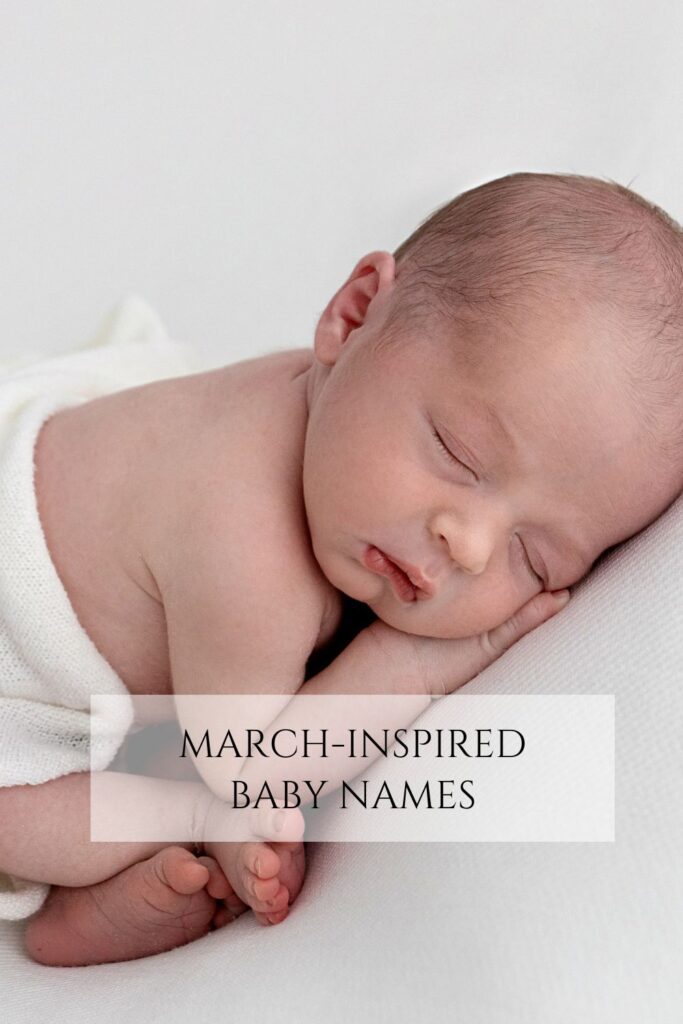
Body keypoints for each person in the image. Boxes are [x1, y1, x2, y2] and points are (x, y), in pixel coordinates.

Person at [1, 172, 681, 966]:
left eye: (535, 556)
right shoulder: (243, 545)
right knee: (100, 806)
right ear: (353, 315)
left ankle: (104, 906)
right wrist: (411, 668)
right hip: (22, 651)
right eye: (457, 455)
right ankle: (102, 881)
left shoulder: (347, 425)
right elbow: (253, 776)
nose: (468, 546)